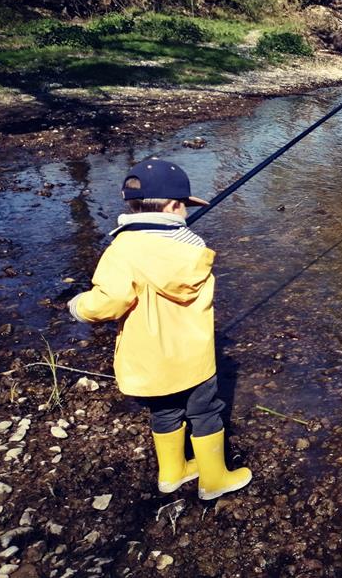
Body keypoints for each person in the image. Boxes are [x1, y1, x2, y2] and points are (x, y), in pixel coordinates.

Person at [68, 157, 251, 500]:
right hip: (194, 359)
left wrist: (79, 306)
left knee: (164, 412)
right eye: (183, 207)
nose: (184, 213)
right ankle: (214, 479)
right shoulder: (193, 248)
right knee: (205, 412)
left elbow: (109, 301)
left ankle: (172, 473)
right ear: (173, 206)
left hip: (149, 363)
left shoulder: (120, 250)